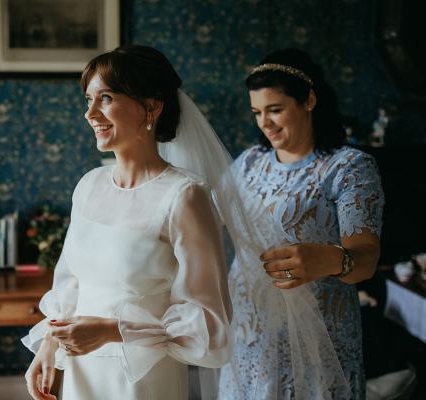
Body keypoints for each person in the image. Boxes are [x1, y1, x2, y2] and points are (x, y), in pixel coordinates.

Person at [22, 45, 234, 400]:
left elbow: (209, 324)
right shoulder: (89, 186)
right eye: (88, 99)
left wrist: (112, 330)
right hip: (81, 372)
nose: (90, 113)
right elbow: (72, 283)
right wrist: (49, 346)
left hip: (141, 378)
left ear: (151, 106)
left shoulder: (185, 196)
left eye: (105, 98)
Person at [219, 48, 385, 399]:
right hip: (249, 337)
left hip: (316, 342)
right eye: (257, 113)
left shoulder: (347, 166)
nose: (265, 123)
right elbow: (208, 219)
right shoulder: (250, 162)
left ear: (309, 100)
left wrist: (331, 259)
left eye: (275, 110)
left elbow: (367, 258)